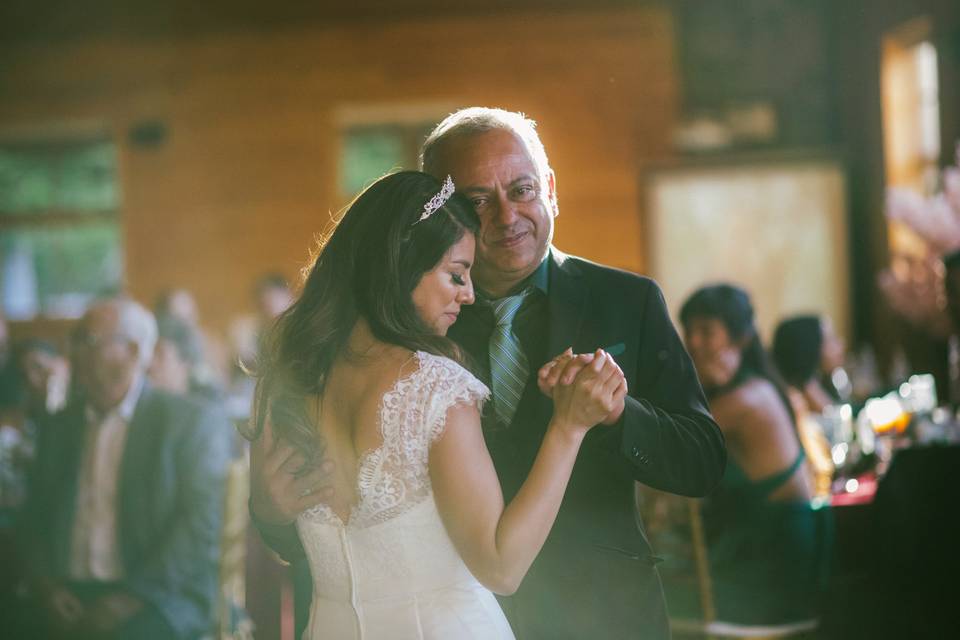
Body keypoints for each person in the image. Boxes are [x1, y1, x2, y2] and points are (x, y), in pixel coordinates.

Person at [244, 170, 626, 639]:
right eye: (456, 275)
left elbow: (284, 532)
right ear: (401, 267)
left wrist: (263, 509)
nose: (467, 295)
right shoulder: (435, 388)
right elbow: (501, 568)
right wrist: (568, 428)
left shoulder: (286, 381)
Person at [14, 297, 233, 640]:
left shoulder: (188, 422)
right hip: (66, 592)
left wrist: (128, 600)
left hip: (157, 597)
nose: (72, 352)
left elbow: (200, 528)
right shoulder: (59, 427)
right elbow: (35, 515)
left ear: (132, 351)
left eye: (87, 340)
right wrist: (47, 589)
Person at [676, 284, 830, 625]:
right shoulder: (756, 385)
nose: (694, 342)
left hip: (773, 569)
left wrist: (692, 383)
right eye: (689, 330)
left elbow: (675, 445)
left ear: (740, 339)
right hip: (767, 556)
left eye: (707, 332)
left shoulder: (746, 399)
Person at [772, 315, 845, 498]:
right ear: (811, 347)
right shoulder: (794, 399)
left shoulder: (814, 384)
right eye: (830, 340)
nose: (840, 345)